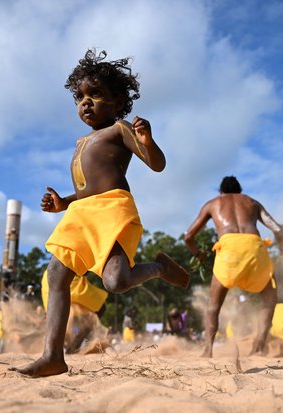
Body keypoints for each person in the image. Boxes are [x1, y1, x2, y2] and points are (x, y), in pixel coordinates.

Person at [11, 49, 190, 377]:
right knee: (56, 276)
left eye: (96, 94)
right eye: (80, 96)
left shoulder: (119, 129)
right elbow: (86, 187)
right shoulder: (82, 141)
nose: (85, 102)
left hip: (111, 209)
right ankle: (53, 356)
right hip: (81, 212)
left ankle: (159, 267)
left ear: (118, 101)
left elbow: (157, 165)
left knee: (116, 282)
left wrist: (147, 141)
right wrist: (63, 203)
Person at [184, 176, 283, 357]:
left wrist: (199, 254)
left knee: (213, 306)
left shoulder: (213, 204)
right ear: (240, 191)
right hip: (255, 250)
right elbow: (277, 229)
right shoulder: (252, 203)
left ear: (221, 192)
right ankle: (259, 344)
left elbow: (188, 236)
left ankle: (208, 350)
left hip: (229, 252)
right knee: (270, 300)